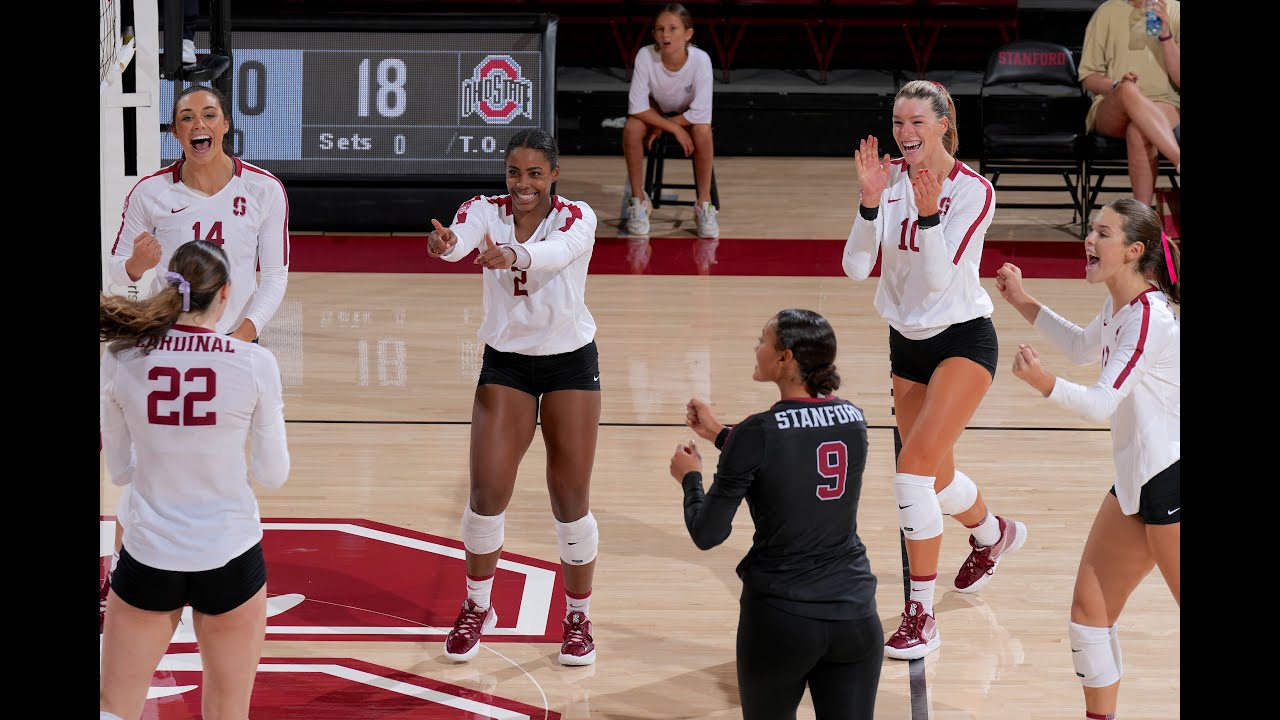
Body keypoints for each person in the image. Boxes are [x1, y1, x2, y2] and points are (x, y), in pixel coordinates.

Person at [841, 79, 1028, 660]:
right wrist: (869, 202)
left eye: (917, 122)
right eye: (898, 122)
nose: (905, 133)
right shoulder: (890, 180)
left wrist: (926, 217)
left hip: (964, 340)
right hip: (906, 345)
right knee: (938, 481)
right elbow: (854, 267)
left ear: (944, 124)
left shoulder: (975, 190)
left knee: (910, 474)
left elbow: (940, 280)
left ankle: (920, 615)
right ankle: (995, 535)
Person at [101, 82, 291, 632]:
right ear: (177, 131)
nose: (198, 123)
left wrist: (243, 339)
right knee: (146, 463)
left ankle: (224, 568)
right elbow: (120, 272)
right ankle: (122, 569)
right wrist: (137, 265)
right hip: (167, 344)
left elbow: (274, 274)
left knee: (224, 460)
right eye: (186, 117)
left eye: (209, 114)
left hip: (230, 349)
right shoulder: (149, 193)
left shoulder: (263, 190)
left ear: (225, 125)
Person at [994, 198, 1179, 720]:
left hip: (1172, 482)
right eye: (1091, 230)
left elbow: (1101, 402)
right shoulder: (1119, 307)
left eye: (1102, 233)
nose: (1089, 241)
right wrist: (1024, 302)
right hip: (1136, 483)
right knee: (1088, 614)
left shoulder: (1150, 319)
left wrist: (1042, 383)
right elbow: (1080, 347)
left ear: (1134, 250)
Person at [426, 127, 602, 666]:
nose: (522, 184)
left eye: (533, 173)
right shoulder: (485, 208)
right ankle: (479, 605)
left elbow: (556, 253)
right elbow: (459, 239)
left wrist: (513, 254)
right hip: (507, 364)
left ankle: (577, 616)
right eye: (514, 172)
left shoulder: (578, 216)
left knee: (569, 498)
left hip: (570, 362)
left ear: (553, 174)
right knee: (486, 492)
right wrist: (447, 244)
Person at [99, 239, 290, 720]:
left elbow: (119, 470)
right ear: (226, 293)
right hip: (229, 553)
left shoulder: (121, 358)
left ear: (168, 288)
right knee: (227, 712)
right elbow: (273, 474)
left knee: (115, 708)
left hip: (149, 554)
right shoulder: (254, 364)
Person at [671, 309, 880, 720]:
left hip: (781, 620)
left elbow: (707, 532)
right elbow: (796, 457)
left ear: (785, 359)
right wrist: (720, 435)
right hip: (855, 615)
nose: (756, 347)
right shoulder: (855, 420)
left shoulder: (757, 432)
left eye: (762, 340)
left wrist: (690, 480)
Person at [623, 3, 718, 239]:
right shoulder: (646, 55)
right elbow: (637, 107)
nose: (665, 35)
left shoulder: (701, 60)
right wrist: (671, 127)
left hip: (688, 113)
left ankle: (704, 204)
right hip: (657, 110)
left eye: (672, 29)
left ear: (688, 34)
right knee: (632, 128)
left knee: (703, 131)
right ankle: (639, 201)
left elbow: (701, 113)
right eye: (659, 29)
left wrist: (669, 124)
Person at [1078, 0, 1181, 204]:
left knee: (1138, 129)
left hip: (1163, 102)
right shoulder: (1107, 11)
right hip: (1113, 104)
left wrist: (1166, 34)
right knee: (1127, 88)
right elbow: (1088, 77)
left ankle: (1141, 221)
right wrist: (1117, 84)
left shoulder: (1175, 10)